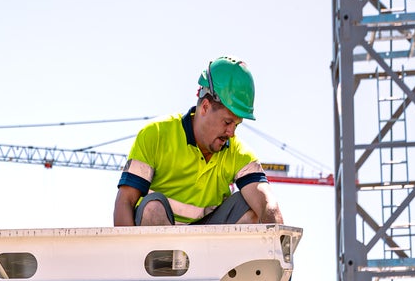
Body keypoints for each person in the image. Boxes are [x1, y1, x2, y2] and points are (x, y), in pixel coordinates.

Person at [112, 57, 285, 229]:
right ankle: (162, 257)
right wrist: (127, 254)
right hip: (156, 244)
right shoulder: (156, 134)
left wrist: (279, 247)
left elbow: (267, 204)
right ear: (205, 107)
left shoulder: (239, 154)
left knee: (252, 206)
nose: (231, 133)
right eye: (227, 122)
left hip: (207, 244)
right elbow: (125, 200)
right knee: (152, 209)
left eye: (236, 125)